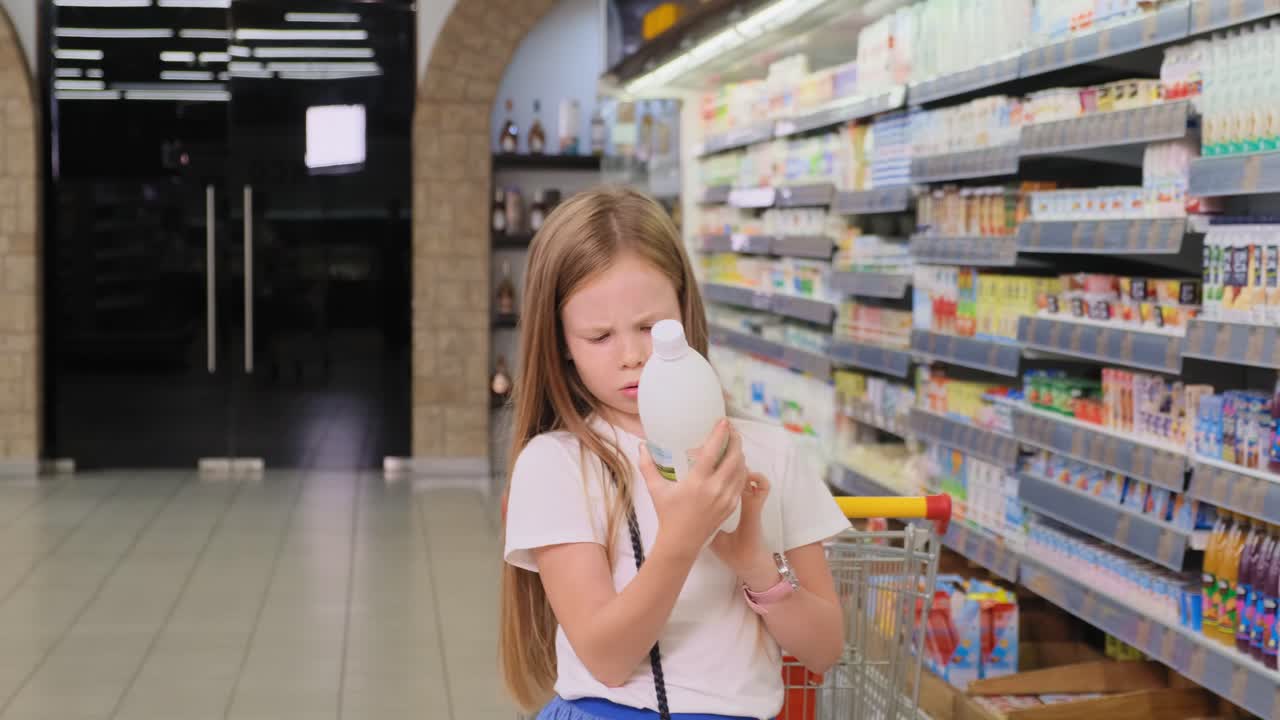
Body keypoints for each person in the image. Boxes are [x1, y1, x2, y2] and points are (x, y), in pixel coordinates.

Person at [500, 187, 851, 720]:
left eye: (650, 327)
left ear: (685, 309)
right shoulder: (556, 464)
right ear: (561, 343)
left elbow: (825, 649)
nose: (633, 356)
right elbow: (607, 659)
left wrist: (756, 566)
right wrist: (682, 539)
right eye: (598, 336)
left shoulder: (768, 452)